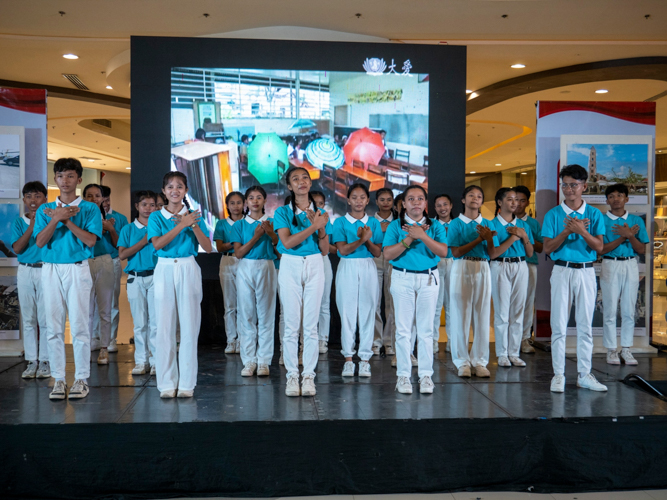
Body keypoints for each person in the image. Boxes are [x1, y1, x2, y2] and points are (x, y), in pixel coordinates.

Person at [35, 158, 102, 400]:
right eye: (61, 176)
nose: (65, 180)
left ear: (79, 179)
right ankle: (59, 379)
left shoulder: (91, 208)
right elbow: (40, 242)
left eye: (71, 176)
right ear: (55, 179)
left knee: (80, 325)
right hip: (51, 268)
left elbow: (91, 241)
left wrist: (66, 220)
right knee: (53, 326)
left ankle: (81, 378)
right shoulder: (45, 210)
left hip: (77, 268)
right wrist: (55, 218)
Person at [542, 164, 607, 393]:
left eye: (574, 185)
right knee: (558, 325)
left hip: (587, 271)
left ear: (584, 187)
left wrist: (582, 232)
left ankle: (584, 374)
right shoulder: (553, 214)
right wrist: (567, 231)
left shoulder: (594, 213)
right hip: (562, 270)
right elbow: (547, 248)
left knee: (585, 325)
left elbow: (599, 246)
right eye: (565, 185)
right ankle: (558, 374)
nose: (569, 189)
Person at [148, 171, 212, 398]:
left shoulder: (194, 216)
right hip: (164, 267)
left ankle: (187, 383)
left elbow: (209, 246)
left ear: (185, 191)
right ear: (164, 191)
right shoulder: (156, 217)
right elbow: (157, 245)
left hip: (188, 266)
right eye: (170, 187)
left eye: (180, 187)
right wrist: (181, 225)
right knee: (164, 327)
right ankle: (166, 383)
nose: (175, 191)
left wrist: (192, 224)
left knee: (189, 327)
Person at [383, 185, 448, 394]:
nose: (416, 203)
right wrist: (410, 238)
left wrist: (422, 235)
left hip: (429, 277)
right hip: (402, 277)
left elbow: (443, 251)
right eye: (411, 199)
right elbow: (388, 255)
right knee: (402, 329)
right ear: (404, 204)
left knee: (426, 329)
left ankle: (426, 375)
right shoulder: (395, 226)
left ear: (425, 204)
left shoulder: (435, 226)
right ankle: (403, 376)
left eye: (420, 199)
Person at [273, 166, 331, 397]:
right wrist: (314, 227)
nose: (301, 182)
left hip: (315, 262)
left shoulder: (321, 213)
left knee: (310, 325)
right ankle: (291, 376)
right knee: (291, 324)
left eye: (305, 178)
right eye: (295, 179)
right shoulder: (282, 212)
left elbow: (325, 249)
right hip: (290, 264)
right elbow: (286, 242)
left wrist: (321, 229)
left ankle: (308, 376)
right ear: (289, 186)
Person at [447, 185, 499, 379]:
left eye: (479, 196)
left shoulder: (488, 223)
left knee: (482, 316)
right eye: (471, 195)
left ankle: (479, 361)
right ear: (463, 200)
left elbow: (492, 253)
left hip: (483, 267)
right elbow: (456, 252)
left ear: (482, 201)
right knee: (460, 316)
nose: (475, 198)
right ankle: (462, 361)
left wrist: (488, 240)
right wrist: (480, 239)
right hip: (462, 267)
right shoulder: (455, 224)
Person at [332, 183, 383, 378]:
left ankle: (364, 360)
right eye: (354, 197)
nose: (359, 201)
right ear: (348, 200)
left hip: (368, 266)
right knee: (347, 312)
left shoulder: (374, 223)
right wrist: (361, 240)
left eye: (362, 197)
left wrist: (367, 240)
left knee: (368, 311)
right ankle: (348, 359)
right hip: (347, 267)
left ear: (367, 200)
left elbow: (377, 252)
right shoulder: (340, 223)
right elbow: (342, 250)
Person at [231, 186, 279, 377]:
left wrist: (271, 234)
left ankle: (264, 361)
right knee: (247, 315)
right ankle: (249, 361)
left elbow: (280, 251)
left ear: (265, 200)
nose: (255, 201)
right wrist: (257, 236)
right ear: (246, 202)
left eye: (259, 197)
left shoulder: (273, 223)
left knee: (266, 315)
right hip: (246, 267)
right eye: (251, 198)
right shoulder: (239, 226)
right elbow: (239, 252)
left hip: (267, 266)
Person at [600, 183, 649, 366]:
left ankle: (626, 349)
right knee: (610, 308)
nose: (616, 199)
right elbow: (601, 249)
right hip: (610, 264)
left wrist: (630, 235)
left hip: (631, 264)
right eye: (611, 196)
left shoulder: (637, 220)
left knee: (629, 308)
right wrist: (623, 236)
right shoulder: (602, 220)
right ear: (607, 200)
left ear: (627, 199)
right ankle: (611, 349)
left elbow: (641, 249)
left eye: (620, 195)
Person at [488, 188, 534, 368]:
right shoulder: (491, 224)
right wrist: (513, 239)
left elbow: (530, 253)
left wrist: (523, 236)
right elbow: (493, 253)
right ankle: (502, 353)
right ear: (500, 202)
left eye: (516, 199)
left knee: (518, 311)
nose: (514, 203)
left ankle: (514, 353)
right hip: (500, 265)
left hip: (521, 265)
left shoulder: (524, 226)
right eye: (510, 199)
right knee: (501, 312)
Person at [11, 181, 50, 379]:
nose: (33, 201)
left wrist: (40, 222)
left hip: (45, 270)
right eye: (28, 197)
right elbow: (17, 249)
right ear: (24, 199)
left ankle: (45, 360)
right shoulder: (19, 222)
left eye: (37, 196)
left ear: (45, 199)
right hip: (25, 271)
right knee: (28, 318)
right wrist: (32, 226)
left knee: (44, 318)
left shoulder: (51, 219)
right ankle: (31, 361)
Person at [118, 191, 159, 375]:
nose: (149, 209)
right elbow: (122, 254)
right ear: (137, 207)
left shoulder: (159, 226)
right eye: (145, 205)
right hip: (135, 278)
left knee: (156, 322)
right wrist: (144, 241)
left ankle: (157, 360)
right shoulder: (128, 229)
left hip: (156, 277)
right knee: (140, 323)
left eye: (152, 205)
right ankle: (141, 361)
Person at [83, 184, 115, 366]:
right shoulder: (79, 217)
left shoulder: (112, 219)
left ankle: (104, 348)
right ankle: (85, 347)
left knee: (105, 308)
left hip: (104, 260)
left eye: (97, 195)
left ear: (103, 198)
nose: (94, 199)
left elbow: (119, 244)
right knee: (85, 309)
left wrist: (110, 229)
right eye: (89, 196)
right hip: (84, 262)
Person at [213, 192, 245, 354]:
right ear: (227, 206)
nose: (236, 206)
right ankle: (231, 340)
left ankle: (242, 340)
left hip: (245, 261)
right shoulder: (221, 224)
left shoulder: (247, 222)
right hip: (227, 261)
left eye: (239, 202)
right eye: (232, 203)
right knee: (230, 305)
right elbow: (219, 247)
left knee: (244, 304)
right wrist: (237, 242)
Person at [513, 185, 543, 354]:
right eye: (514, 199)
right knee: (509, 303)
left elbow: (540, 247)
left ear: (527, 202)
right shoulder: (503, 221)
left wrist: (526, 236)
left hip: (529, 264)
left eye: (521, 200)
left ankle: (524, 338)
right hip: (508, 265)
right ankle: (510, 338)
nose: (517, 203)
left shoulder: (532, 223)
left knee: (527, 302)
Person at [100, 185, 128, 353]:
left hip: (112, 260)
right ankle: (95, 338)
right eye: (100, 199)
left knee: (112, 303)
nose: (104, 203)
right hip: (89, 262)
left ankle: (111, 339)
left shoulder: (120, 218)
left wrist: (110, 229)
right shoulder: (87, 216)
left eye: (107, 199)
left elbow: (121, 246)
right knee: (92, 304)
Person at [372, 188, 396, 356]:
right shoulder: (370, 221)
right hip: (374, 260)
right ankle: (375, 341)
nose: (386, 203)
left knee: (392, 303)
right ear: (376, 202)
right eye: (382, 199)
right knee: (374, 302)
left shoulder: (399, 221)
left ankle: (389, 341)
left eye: (389, 199)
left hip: (394, 261)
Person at [311, 190, 335, 354]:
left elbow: (332, 248)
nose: (318, 206)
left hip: (323, 260)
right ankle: (309, 338)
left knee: (324, 304)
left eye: (321, 203)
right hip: (307, 261)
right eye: (315, 203)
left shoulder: (327, 220)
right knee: (309, 305)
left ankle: (322, 340)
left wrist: (322, 233)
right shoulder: (303, 219)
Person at [432, 194, 454, 354]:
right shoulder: (431, 225)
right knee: (435, 306)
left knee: (452, 306)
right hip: (436, 263)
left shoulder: (457, 224)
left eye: (445, 204)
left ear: (451, 206)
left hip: (454, 263)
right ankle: (433, 342)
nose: (442, 208)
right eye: (439, 205)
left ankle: (452, 343)